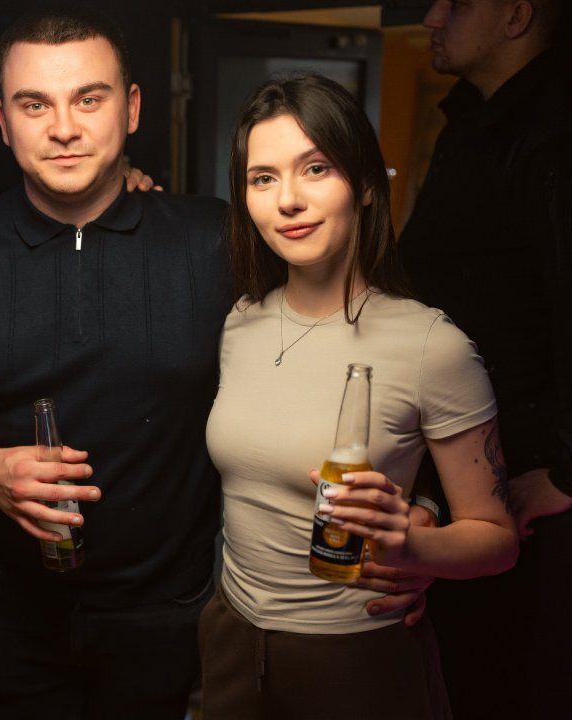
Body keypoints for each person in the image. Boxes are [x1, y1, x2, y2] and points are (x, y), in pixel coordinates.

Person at [0, 8, 232, 719]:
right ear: (3, 121)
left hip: (170, 614)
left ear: (132, 108)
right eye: (34, 104)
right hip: (8, 619)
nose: (63, 128)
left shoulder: (213, 243)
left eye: (88, 98)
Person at [199, 72, 519, 718]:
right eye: (263, 178)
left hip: (356, 655)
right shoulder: (240, 321)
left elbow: (497, 539)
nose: (288, 200)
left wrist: (415, 545)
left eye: (315, 168)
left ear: (367, 184)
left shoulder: (431, 345)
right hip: (231, 637)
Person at [398, 1, 571, 716]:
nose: (432, 15)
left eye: (457, 1)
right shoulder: (475, 120)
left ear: (516, 17)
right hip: (469, 472)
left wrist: (567, 472)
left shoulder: (552, 133)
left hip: (530, 492)